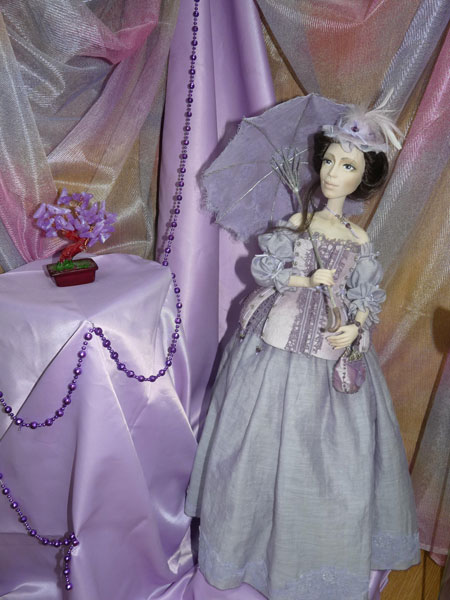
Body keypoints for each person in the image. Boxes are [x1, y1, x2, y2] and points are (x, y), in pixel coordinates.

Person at [185, 103, 420, 600]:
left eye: (348, 165)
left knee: (332, 447)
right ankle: (249, 541)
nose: (333, 173)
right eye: (330, 160)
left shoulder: (358, 237)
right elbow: (267, 273)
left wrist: (355, 326)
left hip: (332, 347)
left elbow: (366, 295)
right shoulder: (298, 222)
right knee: (259, 435)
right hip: (281, 337)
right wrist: (307, 279)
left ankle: (316, 545)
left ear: (363, 178)